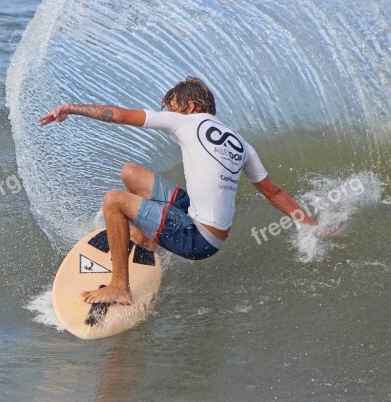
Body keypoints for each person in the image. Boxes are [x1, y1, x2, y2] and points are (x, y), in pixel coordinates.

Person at [39, 77, 317, 306]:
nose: (170, 115)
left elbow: (120, 116)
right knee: (131, 172)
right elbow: (274, 193)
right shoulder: (241, 143)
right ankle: (145, 239)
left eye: (173, 108)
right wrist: (312, 225)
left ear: (191, 106)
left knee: (114, 201)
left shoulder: (188, 122)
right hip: (198, 219)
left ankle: (119, 287)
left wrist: (71, 108)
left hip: (197, 239)